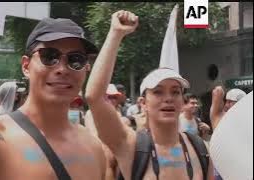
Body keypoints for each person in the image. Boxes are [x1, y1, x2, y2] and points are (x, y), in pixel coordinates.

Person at [0, 17, 107, 180]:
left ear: (86, 69)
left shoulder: (93, 147)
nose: (62, 69)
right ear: (26, 66)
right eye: (49, 56)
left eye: (75, 59)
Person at [85, 10, 214, 179]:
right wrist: (116, 34)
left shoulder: (201, 150)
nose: (168, 98)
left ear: (182, 102)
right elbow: (94, 97)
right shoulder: (130, 146)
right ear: (143, 103)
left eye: (175, 92)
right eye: (158, 92)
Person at [210, 87, 247, 180]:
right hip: (221, 168)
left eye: (230, 102)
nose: (226, 105)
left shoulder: (248, 121)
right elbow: (218, 90)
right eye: (227, 101)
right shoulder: (219, 118)